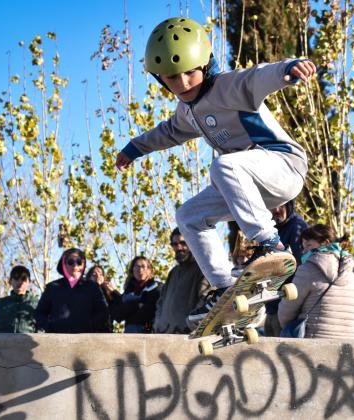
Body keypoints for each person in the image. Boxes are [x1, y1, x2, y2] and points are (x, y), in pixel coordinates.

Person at [115, 17, 316, 326]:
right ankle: (226, 288)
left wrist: (291, 68)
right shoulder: (187, 112)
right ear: (159, 77)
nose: (182, 85)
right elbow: (167, 132)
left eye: (189, 74)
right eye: (171, 77)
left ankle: (269, 245)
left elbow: (260, 76)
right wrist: (134, 148)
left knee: (223, 165)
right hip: (247, 184)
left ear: (205, 65)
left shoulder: (230, 86)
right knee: (189, 216)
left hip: (283, 165)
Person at [277, 224, 354, 340]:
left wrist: (294, 330)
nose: (304, 251)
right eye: (303, 247)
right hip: (353, 349)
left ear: (325, 242)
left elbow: (286, 311)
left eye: (308, 245)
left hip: (313, 347)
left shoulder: (308, 269)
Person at [34, 248, 111, 333]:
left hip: (86, 340)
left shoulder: (93, 287)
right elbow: (39, 313)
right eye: (71, 262)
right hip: (57, 341)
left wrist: (90, 327)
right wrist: (51, 327)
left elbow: (103, 312)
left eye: (79, 262)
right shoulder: (52, 287)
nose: (75, 266)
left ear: (83, 265)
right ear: (64, 264)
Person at [263, 201, 309, 337]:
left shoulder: (297, 228)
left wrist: (290, 306)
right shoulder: (270, 230)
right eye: (272, 205)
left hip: (285, 308)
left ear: (289, 206)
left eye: (281, 205)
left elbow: (302, 268)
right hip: (270, 306)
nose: (276, 209)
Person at [153, 228, 210, 334]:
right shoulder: (173, 272)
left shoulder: (202, 268)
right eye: (175, 244)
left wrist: (191, 325)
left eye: (183, 243)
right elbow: (161, 302)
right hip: (165, 334)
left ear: (192, 242)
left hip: (187, 336)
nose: (179, 247)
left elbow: (206, 301)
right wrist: (158, 324)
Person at [109, 256, 163, 333]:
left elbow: (149, 312)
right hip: (129, 335)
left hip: (149, 335)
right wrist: (137, 305)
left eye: (143, 266)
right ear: (132, 270)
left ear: (149, 270)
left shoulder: (156, 287)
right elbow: (117, 315)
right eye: (136, 266)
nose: (140, 269)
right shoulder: (128, 291)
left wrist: (128, 317)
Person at [0, 265, 39, 333]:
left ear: (29, 282)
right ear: (10, 281)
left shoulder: (37, 303)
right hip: (4, 342)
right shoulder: (2, 303)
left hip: (27, 342)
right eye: (16, 278)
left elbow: (41, 329)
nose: (19, 282)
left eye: (23, 279)